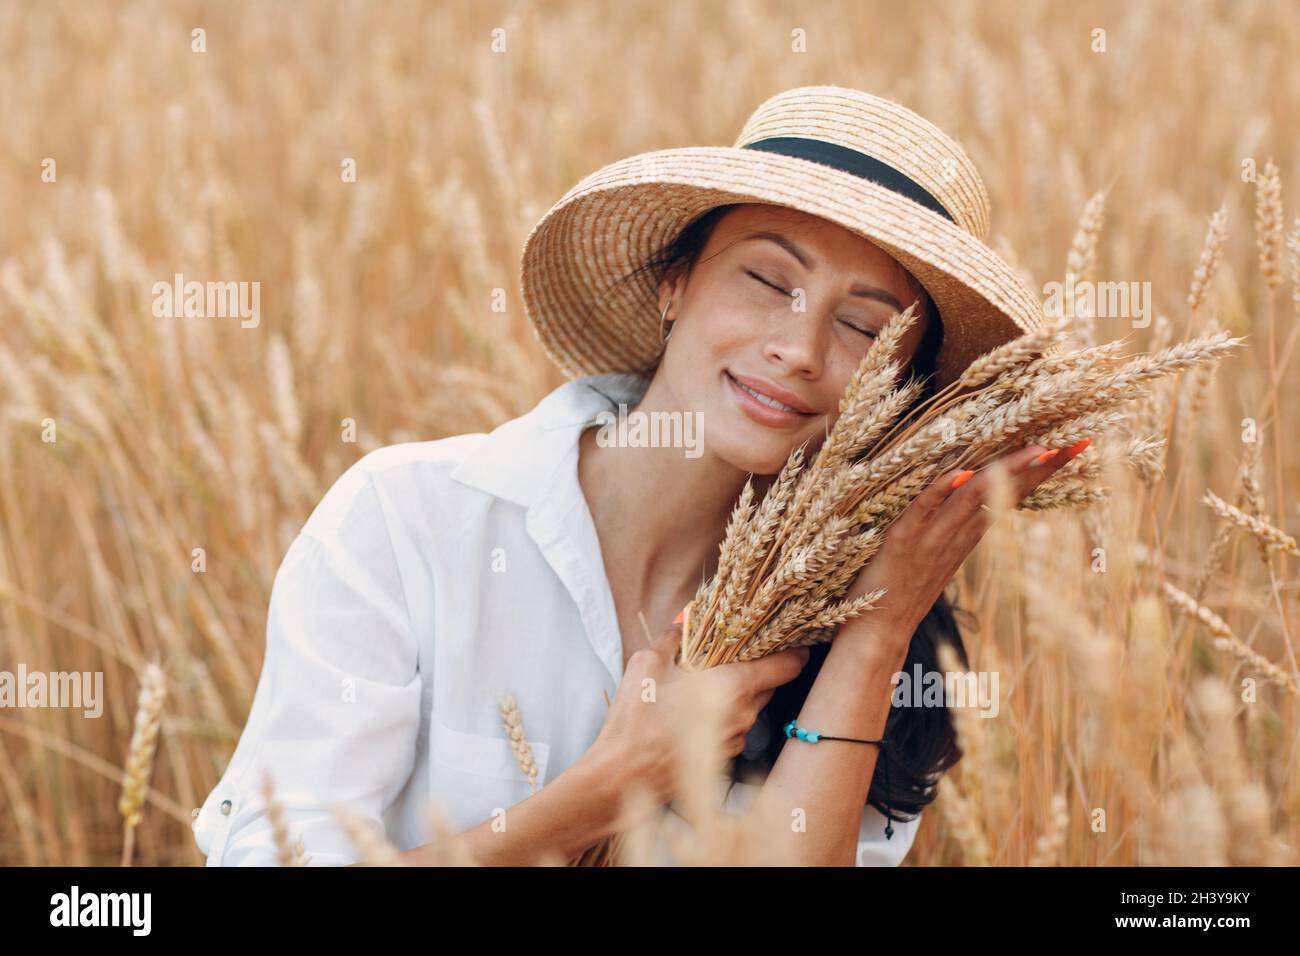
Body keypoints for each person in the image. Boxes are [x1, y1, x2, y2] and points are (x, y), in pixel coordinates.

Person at [193, 85, 1083, 867]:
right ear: (674, 283)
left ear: (900, 392)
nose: (798, 349)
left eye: (865, 329)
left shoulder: (862, 627)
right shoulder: (409, 521)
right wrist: (609, 786)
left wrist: (876, 634)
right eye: (769, 280)